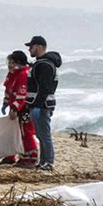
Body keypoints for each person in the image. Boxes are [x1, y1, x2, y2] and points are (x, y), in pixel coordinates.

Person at [25, 36, 62, 171]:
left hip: (42, 105)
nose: (29, 49)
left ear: (39, 47)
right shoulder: (41, 63)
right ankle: (43, 161)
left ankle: (49, 162)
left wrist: (38, 106)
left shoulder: (44, 65)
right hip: (40, 104)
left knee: (44, 134)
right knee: (40, 134)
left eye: (31, 46)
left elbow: (44, 88)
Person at [0, 51, 38, 168]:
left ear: (19, 63)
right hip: (15, 106)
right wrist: (5, 103)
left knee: (26, 132)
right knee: (13, 131)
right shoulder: (12, 74)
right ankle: (11, 156)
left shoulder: (24, 74)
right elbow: (8, 90)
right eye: (9, 62)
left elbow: (22, 94)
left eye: (12, 62)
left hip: (24, 108)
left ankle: (31, 157)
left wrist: (15, 108)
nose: (9, 65)